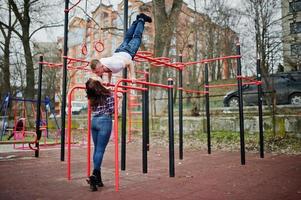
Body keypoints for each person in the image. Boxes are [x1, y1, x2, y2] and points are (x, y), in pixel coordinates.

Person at [90, 13, 152, 82]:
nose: (97, 74)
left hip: (128, 52)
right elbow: (109, 70)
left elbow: (130, 62)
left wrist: (133, 76)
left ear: (101, 66)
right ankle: (136, 21)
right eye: (95, 72)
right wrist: (109, 81)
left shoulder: (115, 65)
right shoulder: (102, 61)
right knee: (127, 37)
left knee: (137, 37)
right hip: (119, 51)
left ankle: (141, 19)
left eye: (97, 72)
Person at [85, 78, 114, 191]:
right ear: (99, 85)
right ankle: (94, 175)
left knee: (97, 150)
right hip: (104, 121)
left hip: (94, 121)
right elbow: (113, 110)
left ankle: (98, 179)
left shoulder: (92, 96)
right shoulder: (109, 95)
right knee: (100, 150)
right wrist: (118, 100)